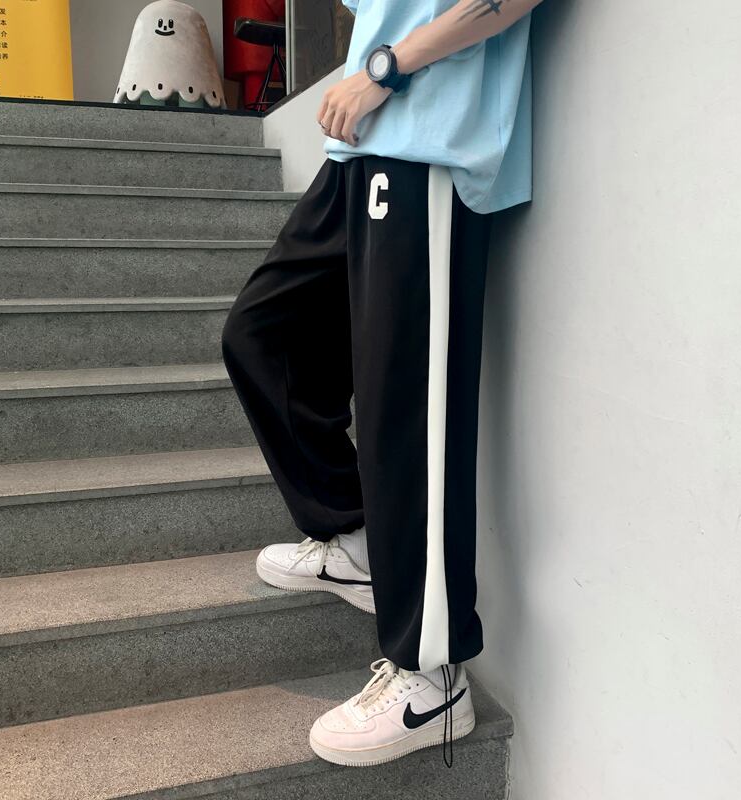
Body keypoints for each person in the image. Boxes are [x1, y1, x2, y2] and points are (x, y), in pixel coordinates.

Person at [221, 0, 543, 769]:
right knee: (262, 336)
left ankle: (431, 677)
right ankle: (355, 538)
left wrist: (383, 70)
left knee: (407, 414)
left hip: (427, 144)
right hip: (356, 150)